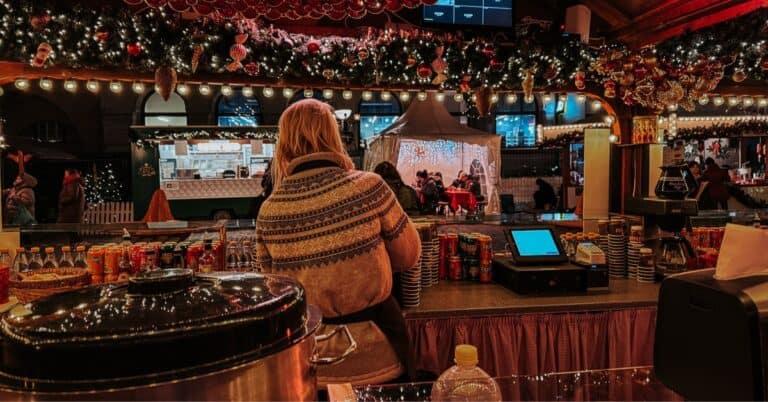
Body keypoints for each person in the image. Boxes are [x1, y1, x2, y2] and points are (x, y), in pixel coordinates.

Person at [255, 99, 421, 381]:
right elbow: (409, 255)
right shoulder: (369, 186)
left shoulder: (270, 211)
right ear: (333, 136)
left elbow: (275, 288)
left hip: (309, 357)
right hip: (378, 351)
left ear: (283, 145)